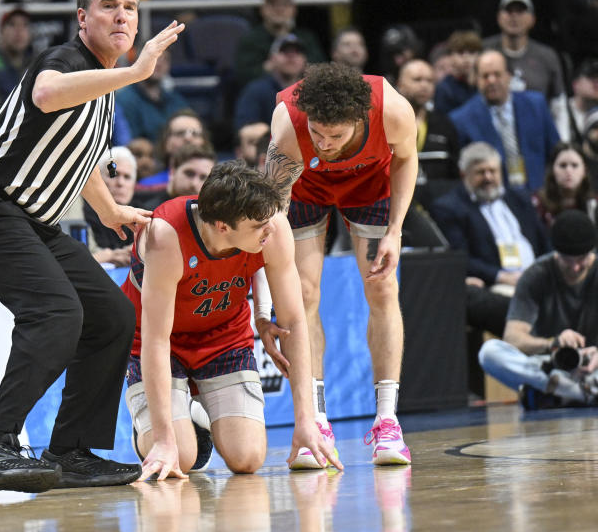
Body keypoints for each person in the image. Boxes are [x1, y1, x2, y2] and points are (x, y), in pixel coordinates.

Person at [0, 0, 184, 493]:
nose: (121, 15)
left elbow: (80, 154)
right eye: (108, 6)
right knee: (55, 311)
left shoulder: (103, 84)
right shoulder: (66, 61)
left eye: (130, 7)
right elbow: (47, 95)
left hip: (31, 220)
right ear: (82, 18)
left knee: (112, 316)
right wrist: (136, 74)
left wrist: (110, 211)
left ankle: (71, 451)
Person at [125, 162, 342, 479]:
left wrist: (306, 421)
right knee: (181, 457)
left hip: (222, 340)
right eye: (258, 226)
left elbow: (294, 323)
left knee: (248, 459)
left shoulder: (273, 228)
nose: (269, 230)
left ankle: (195, 411)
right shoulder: (166, 234)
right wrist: (163, 440)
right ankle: (159, 427)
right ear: (223, 227)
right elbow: (156, 341)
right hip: (158, 343)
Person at [265, 61, 418, 466]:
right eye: (317, 132)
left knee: (382, 287)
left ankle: (387, 421)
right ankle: (315, 419)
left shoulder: (392, 110)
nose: (325, 143)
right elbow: (271, 220)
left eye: (335, 135)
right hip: (305, 188)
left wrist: (395, 232)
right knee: (302, 293)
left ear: (359, 119)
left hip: (370, 185)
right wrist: (265, 305)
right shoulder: (288, 125)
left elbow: (406, 159)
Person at [479, 209, 598, 408]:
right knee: (489, 353)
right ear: (555, 253)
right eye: (567, 261)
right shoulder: (534, 276)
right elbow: (513, 337)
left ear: (592, 251)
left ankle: (562, 393)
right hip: (550, 366)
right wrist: (553, 343)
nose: (576, 267)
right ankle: (591, 392)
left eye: (582, 259)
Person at [430, 142, 551, 289]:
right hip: (496, 283)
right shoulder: (450, 208)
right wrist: (500, 276)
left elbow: (544, 241)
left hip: (538, 276)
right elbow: (461, 258)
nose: (488, 177)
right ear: (464, 175)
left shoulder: (520, 200)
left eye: (493, 171)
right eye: (480, 172)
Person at [449, 50, 559, 191]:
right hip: (493, 199)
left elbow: (555, 151)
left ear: (509, 76)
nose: (491, 81)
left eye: (497, 74)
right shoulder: (460, 120)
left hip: (540, 193)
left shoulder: (536, 104)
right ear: (476, 79)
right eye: (485, 76)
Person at [482, 0, 569, 141]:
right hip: (492, 134)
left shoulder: (547, 56)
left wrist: (563, 144)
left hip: (536, 135)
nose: (514, 17)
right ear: (499, 17)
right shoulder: (484, 52)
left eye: (520, 11)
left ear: (532, 19)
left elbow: (558, 105)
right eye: (509, 11)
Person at [233, 0, 326, 87]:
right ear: (263, 9)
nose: (280, 9)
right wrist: (270, 67)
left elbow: (320, 70)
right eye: (273, 4)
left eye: (285, 4)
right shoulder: (251, 40)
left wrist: (295, 66)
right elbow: (242, 77)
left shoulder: (306, 38)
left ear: (294, 9)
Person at [396, 58, 460, 181]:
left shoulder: (445, 124)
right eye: (417, 80)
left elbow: (454, 171)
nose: (424, 86)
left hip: (438, 198)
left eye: (429, 81)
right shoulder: (387, 125)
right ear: (400, 85)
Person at [234, 34, 308, 131]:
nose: (291, 56)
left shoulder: (312, 92)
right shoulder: (255, 90)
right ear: (272, 58)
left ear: (304, 60)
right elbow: (245, 130)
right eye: (284, 51)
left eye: (297, 52)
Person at [115, 48, 189, 141]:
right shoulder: (124, 100)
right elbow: (131, 145)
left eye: (165, 59)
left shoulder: (176, 100)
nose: (159, 64)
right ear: (138, 61)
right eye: (154, 57)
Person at [84, 145, 138, 268]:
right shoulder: (83, 210)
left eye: (127, 177)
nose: (120, 183)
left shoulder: (141, 213)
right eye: (114, 175)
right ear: (99, 180)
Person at [133, 142, 216, 211]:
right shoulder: (146, 211)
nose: (194, 183)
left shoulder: (213, 219)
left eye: (203, 177)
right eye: (189, 173)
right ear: (172, 171)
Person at [532, 142, 598, 227]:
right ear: (552, 170)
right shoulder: (538, 203)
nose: (568, 171)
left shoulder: (594, 204)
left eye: (574, 165)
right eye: (563, 165)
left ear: (584, 171)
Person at [433, 30, 481, 115]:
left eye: (472, 52)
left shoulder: (483, 84)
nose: (466, 58)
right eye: (460, 52)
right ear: (451, 57)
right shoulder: (444, 89)